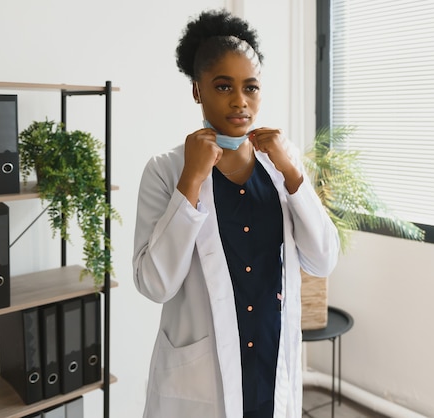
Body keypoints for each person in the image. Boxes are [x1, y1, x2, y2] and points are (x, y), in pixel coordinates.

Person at [132, 8, 339, 418]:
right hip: (201, 377)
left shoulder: (282, 163)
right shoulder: (166, 170)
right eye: (223, 86)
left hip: (270, 354)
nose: (240, 101)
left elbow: (322, 259)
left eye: (251, 87)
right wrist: (190, 180)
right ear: (197, 91)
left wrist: (293, 172)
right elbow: (154, 283)